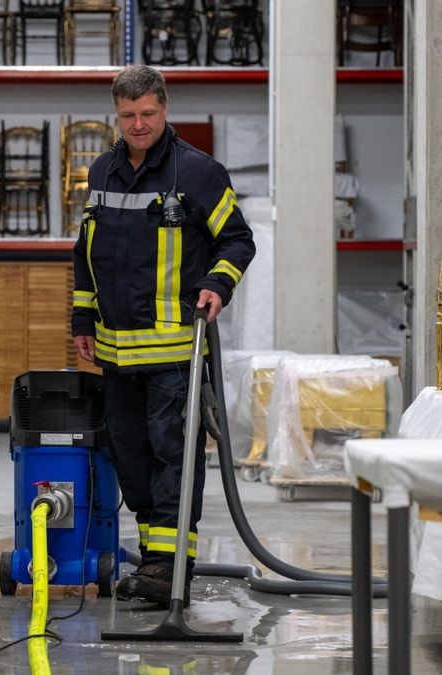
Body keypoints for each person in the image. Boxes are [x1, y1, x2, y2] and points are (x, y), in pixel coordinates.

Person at [70, 65, 256, 607]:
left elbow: (237, 241)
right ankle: (155, 560)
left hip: (175, 352)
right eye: (127, 115)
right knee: (130, 458)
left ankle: (169, 569)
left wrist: (217, 285)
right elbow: (86, 254)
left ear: (164, 109)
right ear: (116, 113)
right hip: (115, 352)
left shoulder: (197, 172)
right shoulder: (101, 171)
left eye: (147, 113)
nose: (138, 124)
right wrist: (83, 319)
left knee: (173, 455)